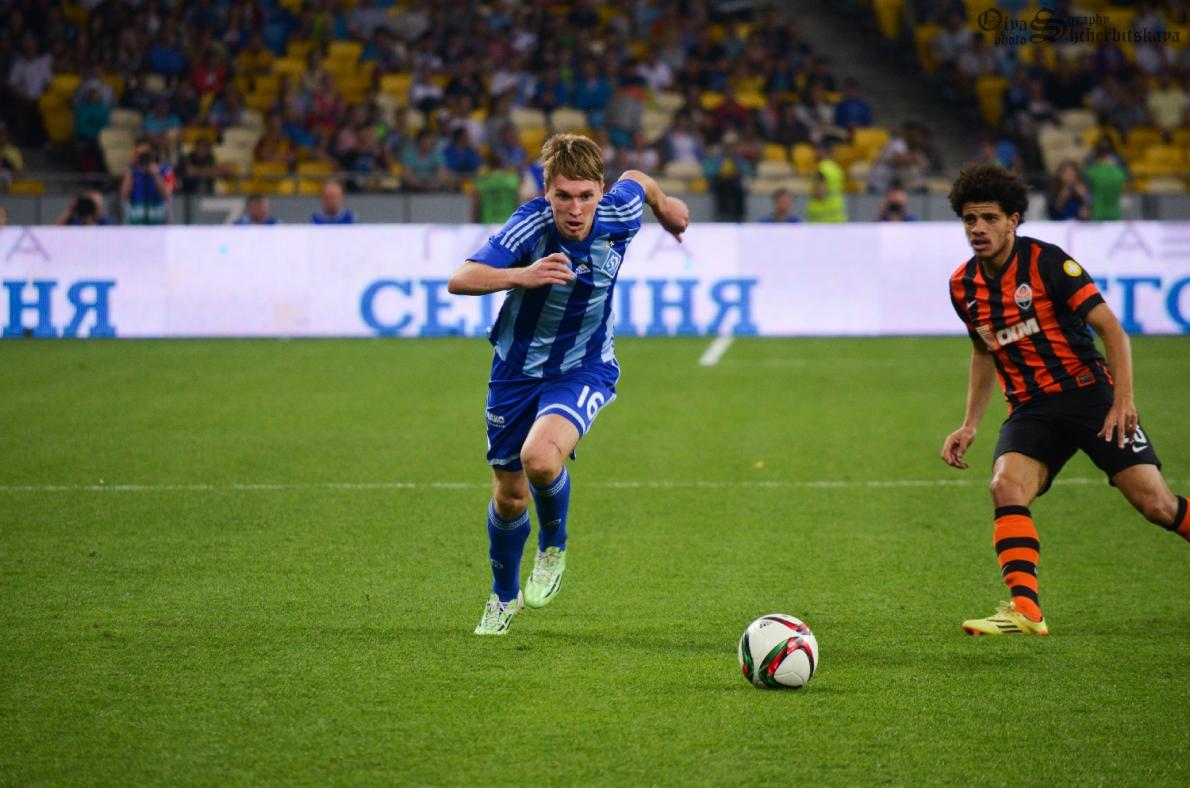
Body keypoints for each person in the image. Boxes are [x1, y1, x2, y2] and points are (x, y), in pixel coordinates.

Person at [446, 133, 688, 635]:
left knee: (540, 458)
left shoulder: (619, 213)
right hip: (515, 370)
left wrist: (665, 207)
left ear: (600, 191)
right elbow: (462, 278)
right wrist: (524, 274)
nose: (575, 210)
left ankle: (553, 545)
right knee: (510, 495)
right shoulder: (531, 223)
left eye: (585, 196)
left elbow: (637, 180)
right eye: (563, 196)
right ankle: (503, 597)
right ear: (547, 192)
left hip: (584, 366)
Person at [940, 163, 1189, 637]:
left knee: (1157, 505)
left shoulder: (1049, 263)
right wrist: (969, 424)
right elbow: (983, 351)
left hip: (1091, 397)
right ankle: (1025, 610)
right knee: (1005, 486)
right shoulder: (962, 286)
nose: (978, 229)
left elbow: (1112, 330)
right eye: (970, 219)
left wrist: (1122, 400)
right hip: (1032, 409)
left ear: (1013, 220)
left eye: (989, 218)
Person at [120, 141, 175, 225]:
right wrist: (130, 170)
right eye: (139, 154)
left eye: (145, 154)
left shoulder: (166, 170)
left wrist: (155, 173)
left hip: (159, 219)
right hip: (137, 220)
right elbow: (124, 195)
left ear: (153, 154)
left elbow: (167, 195)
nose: (143, 157)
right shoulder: (132, 171)